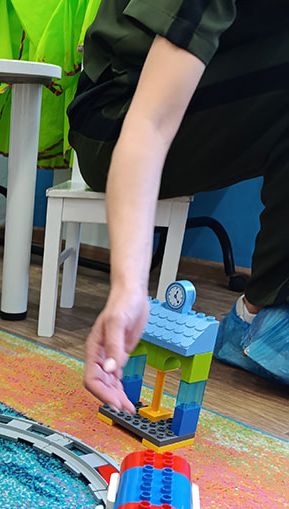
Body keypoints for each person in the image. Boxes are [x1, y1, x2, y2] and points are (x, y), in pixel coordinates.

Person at [66, 0, 289, 412]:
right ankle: (261, 317)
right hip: (115, 115)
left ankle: (264, 315)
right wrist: (129, 288)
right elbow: (149, 123)